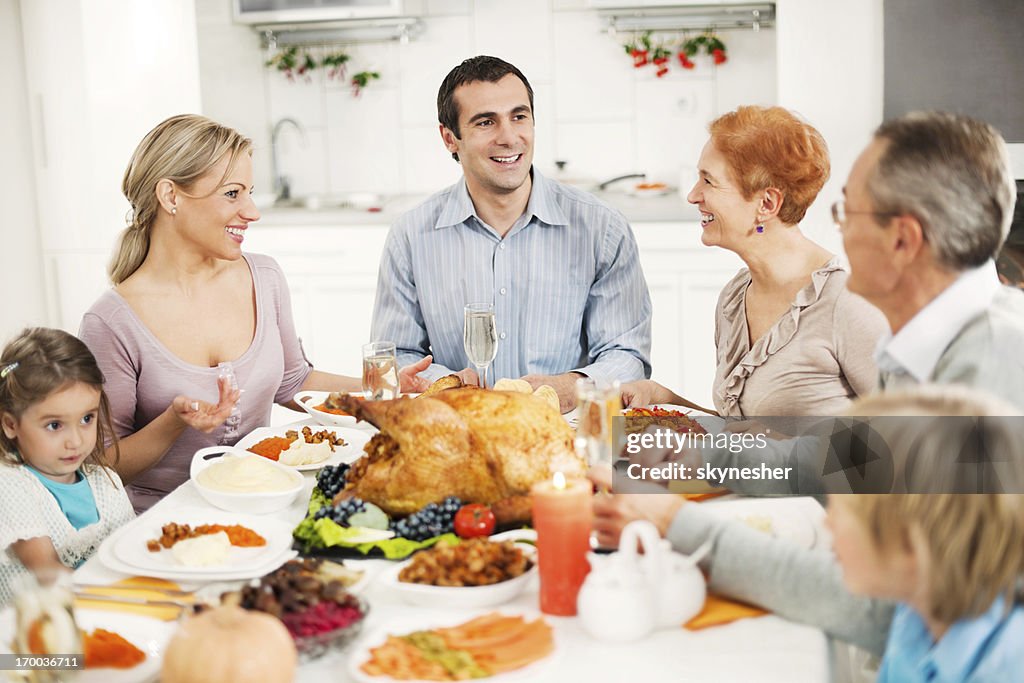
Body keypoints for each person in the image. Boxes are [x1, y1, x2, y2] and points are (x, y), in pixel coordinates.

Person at [80, 115, 431, 512]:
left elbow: (294, 380)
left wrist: (385, 389)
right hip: (166, 524)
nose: (252, 211)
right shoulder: (111, 322)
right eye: (232, 194)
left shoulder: (262, 276)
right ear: (171, 196)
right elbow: (103, 467)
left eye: (250, 192)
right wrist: (174, 421)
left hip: (263, 502)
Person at [592, 385, 1024, 676]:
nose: (827, 517)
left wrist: (675, 521)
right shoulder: (919, 620)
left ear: (911, 544)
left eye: (841, 505)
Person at [370, 56, 652, 413]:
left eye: (519, 117)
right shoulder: (410, 236)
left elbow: (627, 356)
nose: (509, 137)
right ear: (449, 138)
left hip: (566, 436)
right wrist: (449, 385)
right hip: (458, 434)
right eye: (485, 122)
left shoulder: (602, 228)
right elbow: (394, 358)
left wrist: (572, 386)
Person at [623, 106, 886, 417]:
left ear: (767, 203)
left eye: (708, 181)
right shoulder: (734, 298)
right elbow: (743, 435)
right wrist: (663, 397)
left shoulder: (846, 304)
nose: (693, 196)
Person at [837, 110, 1024, 409]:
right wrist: (738, 450)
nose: (842, 228)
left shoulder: (992, 363)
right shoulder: (915, 341)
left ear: (902, 240)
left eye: (846, 212)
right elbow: (856, 452)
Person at [0, 328, 135, 606]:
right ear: (11, 424)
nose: (75, 441)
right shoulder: (10, 486)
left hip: (100, 613)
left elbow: (130, 549)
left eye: (87, 418)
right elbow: (48, 573)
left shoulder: (103, 479)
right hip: (36, 634)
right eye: (54, 425)